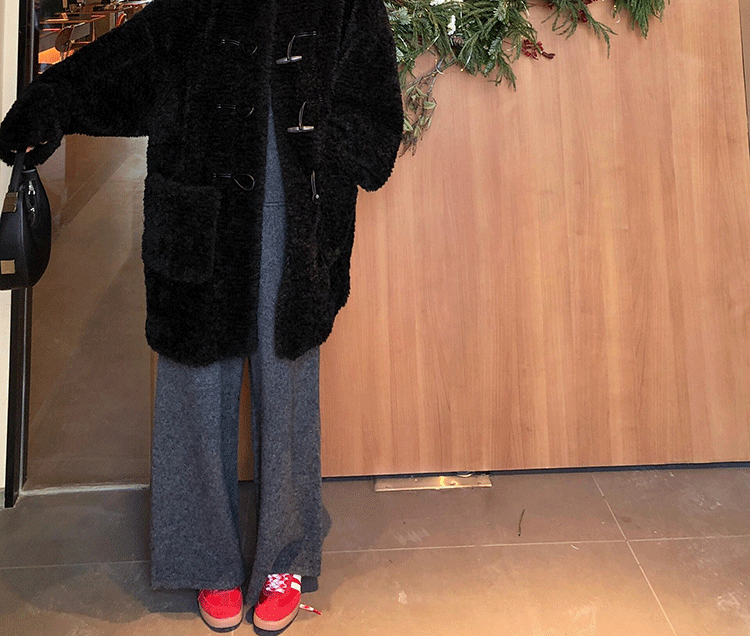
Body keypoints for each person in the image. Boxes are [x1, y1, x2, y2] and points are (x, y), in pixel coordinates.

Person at [0, 0, 404, 634]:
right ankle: (205, 557)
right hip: (201, 218)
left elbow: (374, 111)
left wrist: (321, 142)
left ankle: (285, 558)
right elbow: (135, 60)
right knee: (194, 384)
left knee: (288, 388)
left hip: (296, 217)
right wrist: (49, 103)